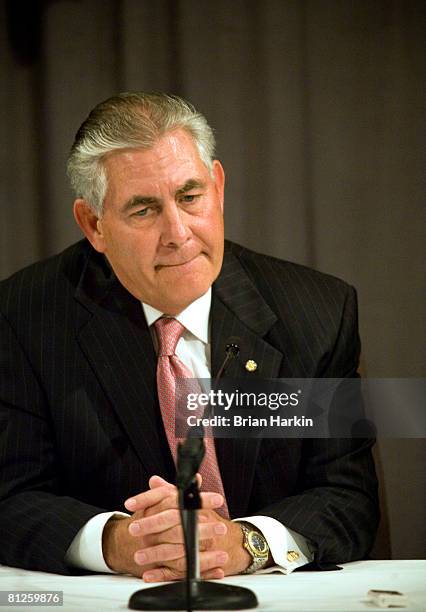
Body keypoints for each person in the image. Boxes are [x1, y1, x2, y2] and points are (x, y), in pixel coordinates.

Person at [0, 92, 379, 581]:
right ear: (94, 224)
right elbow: (11, 496)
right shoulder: (21, 317)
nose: (177, 233)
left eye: (189, 197)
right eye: (143, 210)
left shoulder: (317, 313)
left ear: (218, 187)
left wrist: (243, 544)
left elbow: (348, 497)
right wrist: (121, 541)